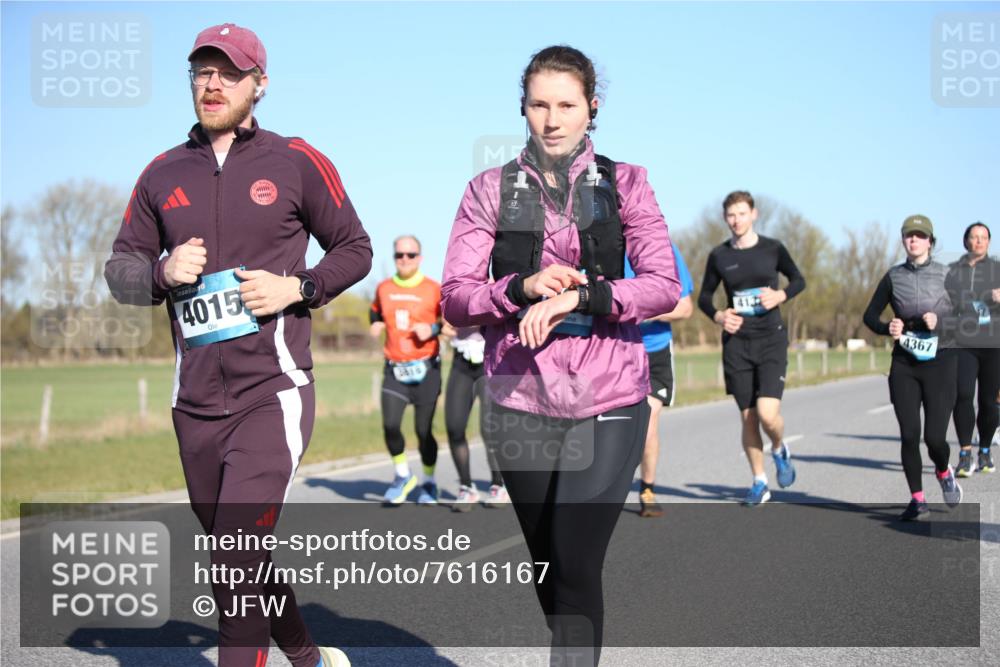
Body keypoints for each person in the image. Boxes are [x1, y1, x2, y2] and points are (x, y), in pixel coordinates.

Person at [104, 24, 369, 667]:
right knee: (239, 552)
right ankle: (307, 657)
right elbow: (120, 267)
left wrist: (296, 288)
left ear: (260, 84)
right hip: (193, 402)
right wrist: (160, 274)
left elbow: (355, 250)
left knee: (234, 556)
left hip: (271, 390)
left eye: (228, 72)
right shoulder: (161, 173)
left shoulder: (296, 159)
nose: (212, 83)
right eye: (201, 71)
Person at [441, 45, 680, 665]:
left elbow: (663, 284)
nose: (552, 118)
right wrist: (517, 288)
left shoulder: (626, 182)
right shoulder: (488, 190)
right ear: (522, 108)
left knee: (575, 561)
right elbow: (456, 298)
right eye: (539, 104)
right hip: (519, 397)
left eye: (566, 105)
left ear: (590, 108)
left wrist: (589, 290)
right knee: (551, 572)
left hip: (611, 394)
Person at [697, 192, 805, 506]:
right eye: (731, 215)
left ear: (753, 214)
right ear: (725, 218)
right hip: (737, 343)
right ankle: (759, 481)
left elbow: (799, 280)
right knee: (748, 418)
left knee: (768, 414)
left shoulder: (773, 249)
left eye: (742, 213)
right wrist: (719, 315)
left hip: (771, 338)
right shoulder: (719, 255)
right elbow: (705, 297)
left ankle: (780, 448)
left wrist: (781, 296)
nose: (736, 220)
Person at [863, 215, 962, 521]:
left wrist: (940, 322)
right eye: (909, 236)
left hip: (941, 361)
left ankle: (944, 471)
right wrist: (886, 327)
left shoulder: (947, 275)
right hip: (904, 363)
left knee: (934, 438)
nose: (914, 240)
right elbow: (869, 316)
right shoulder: (894, 277)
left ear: (930, 241)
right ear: (904, 241)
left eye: (920, 236)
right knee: (909, 435)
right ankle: (917, 500)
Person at [370, 235, 443, 505]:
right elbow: (374, 312)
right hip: (394, 369)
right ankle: (402, 475)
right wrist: (376, 324)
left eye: (410, 255)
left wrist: (432, 329)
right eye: (399, 255)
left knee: (423, 431)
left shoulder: (434, 289)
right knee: (390, 426)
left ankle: (429, 482)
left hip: (426, 368)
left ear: (420, 258)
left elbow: (450, 323)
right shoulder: (383, 288)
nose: (404, 259)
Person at [624, 244, 694, 517]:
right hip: (614, 350)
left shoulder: (663, 249)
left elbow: (685, 307)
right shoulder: (599, 245)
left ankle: (647, 490)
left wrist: (638, 311)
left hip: (655, 351)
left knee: (647, 424)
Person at [946, 221, 1000, 476]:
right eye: (974, 237)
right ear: (965, 241)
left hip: (993, 345)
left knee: (989, 403)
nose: (978, 241)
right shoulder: (953, 272)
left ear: (989, 242)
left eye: (983, 237)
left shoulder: (998, 269)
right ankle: (965, 453)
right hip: (963, 343)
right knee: (963, 396)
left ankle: (986, 450)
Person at [440, 321, 509, 510]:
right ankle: (466, 488)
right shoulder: (447, 288)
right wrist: (441, 326)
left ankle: (498, 485)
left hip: (489, 357)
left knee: (489, 429)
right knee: (454, 426)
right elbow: (442, 317)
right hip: (461, 361)